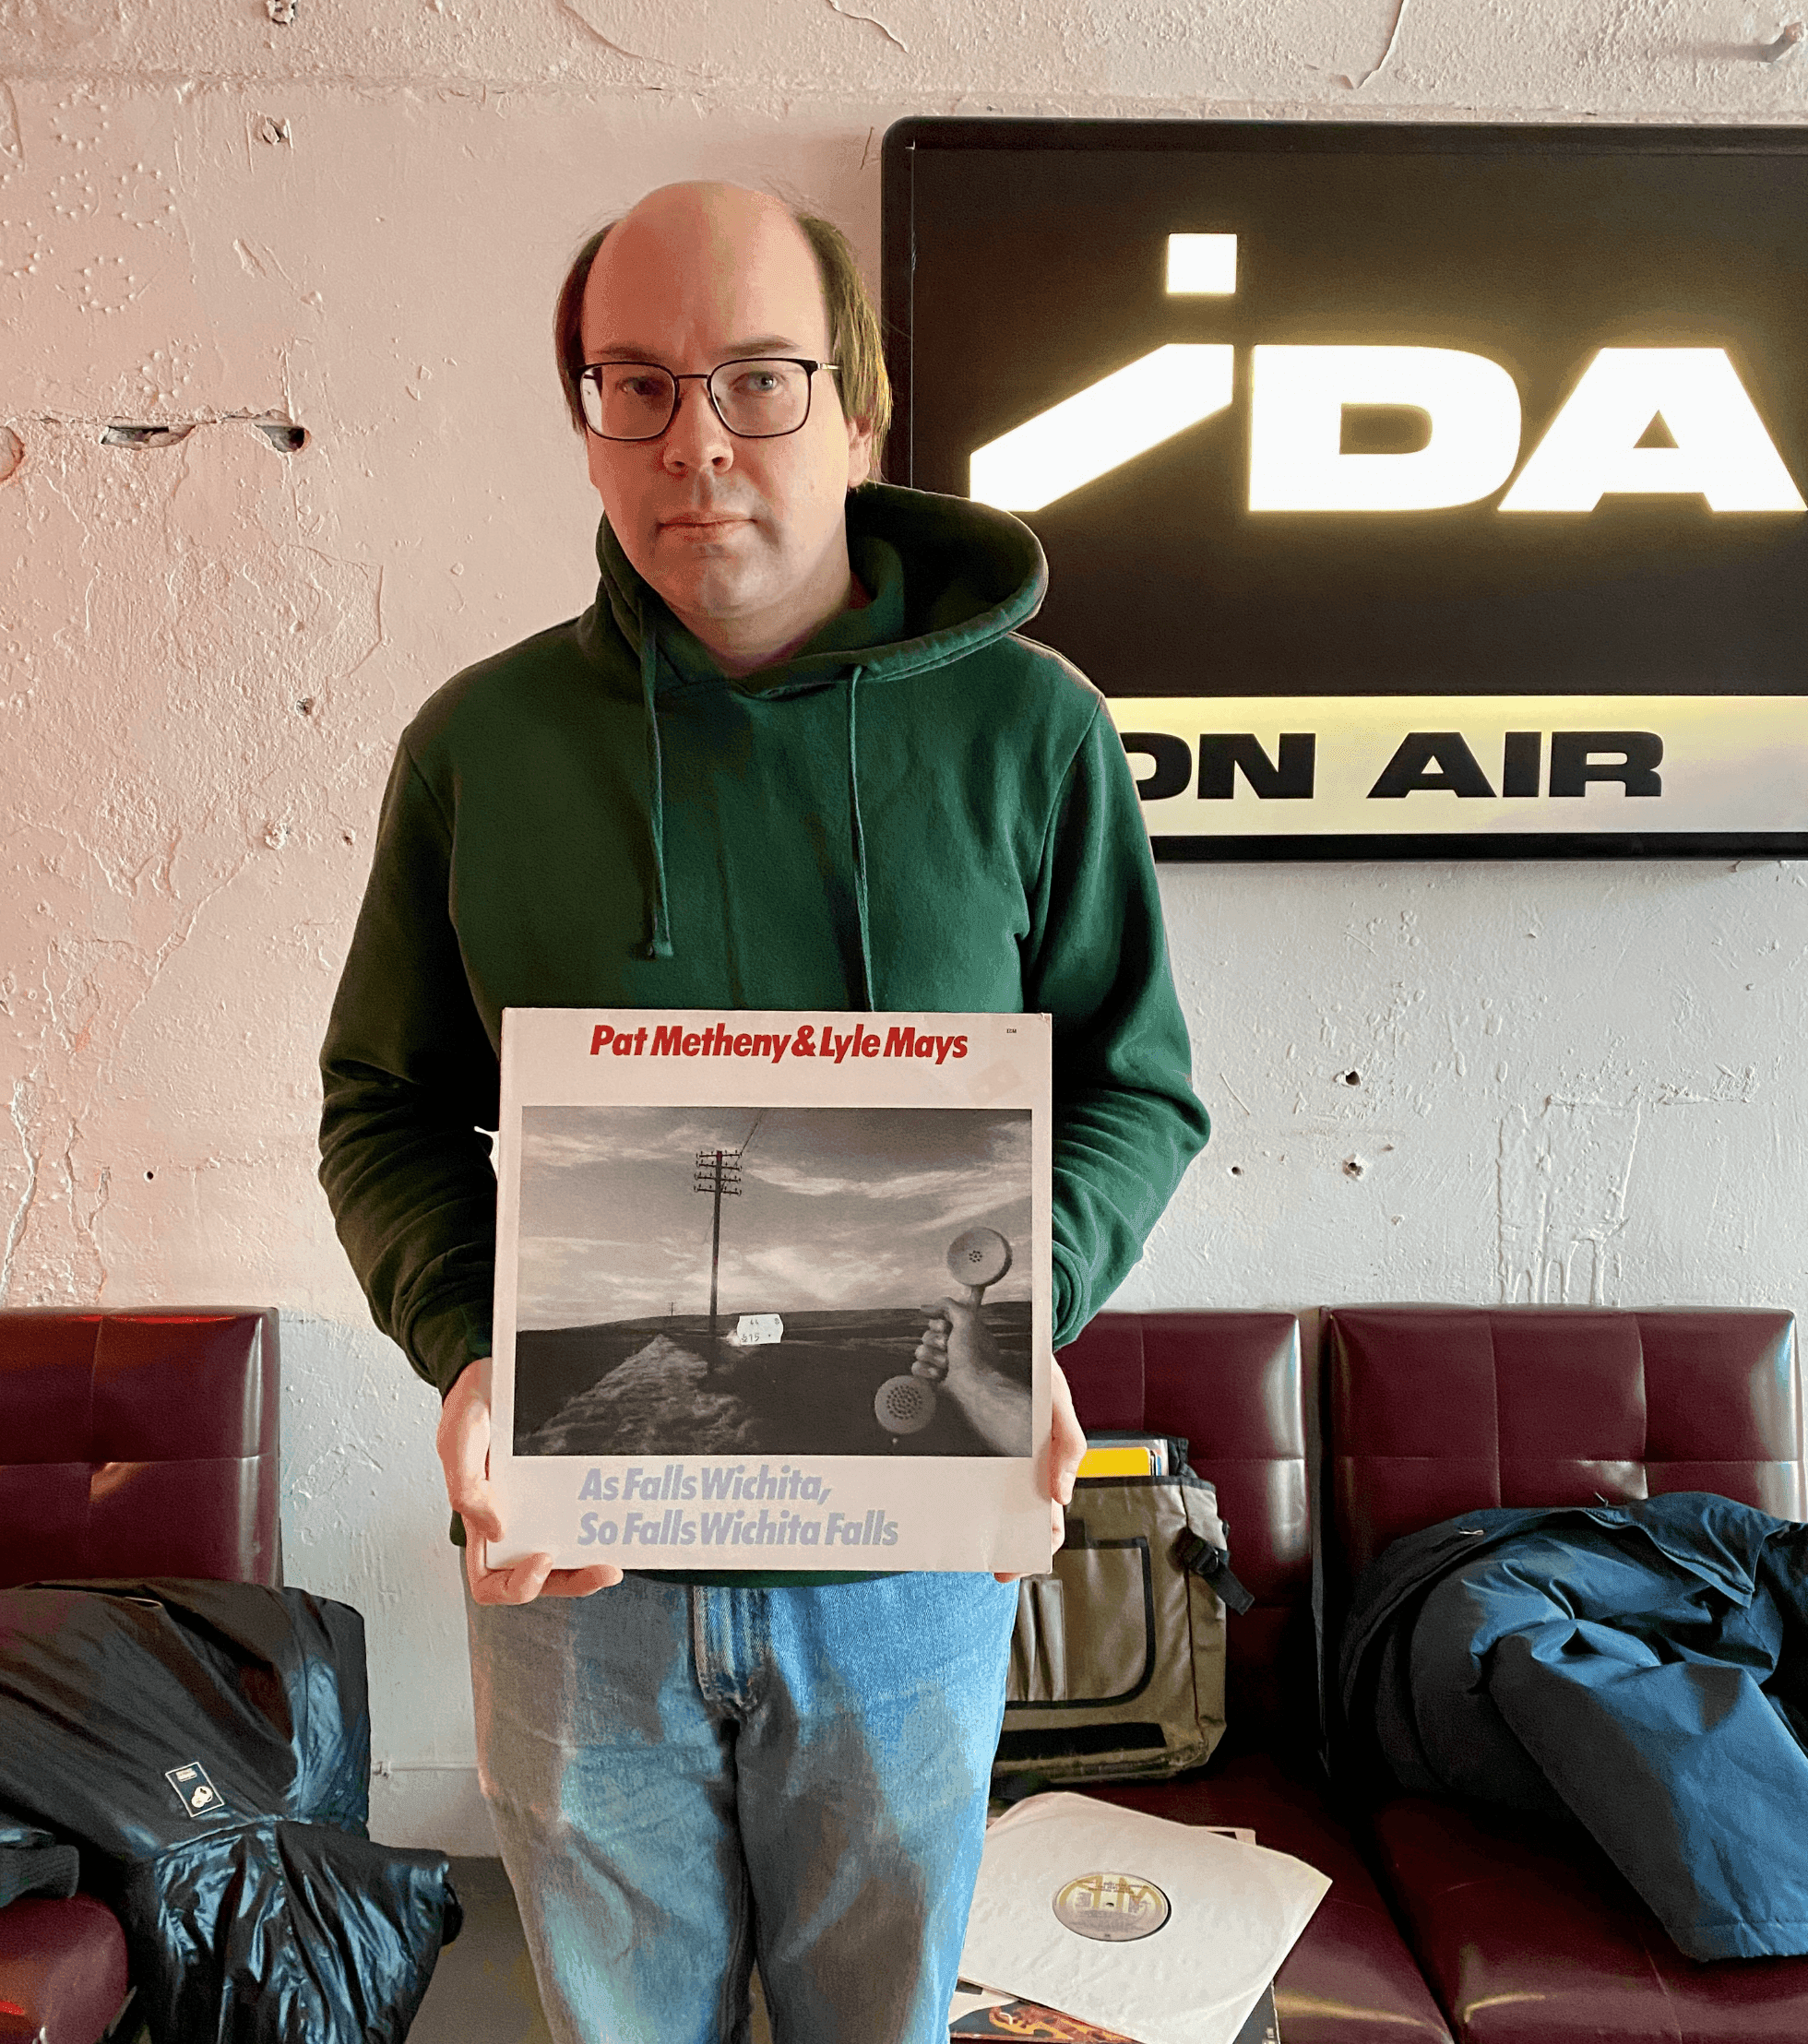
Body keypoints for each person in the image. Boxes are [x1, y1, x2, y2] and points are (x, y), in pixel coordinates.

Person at [318, 181, 1209, 2044]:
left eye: (756, 379)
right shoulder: (479, 749)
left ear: (860, 409)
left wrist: (1020, 1298)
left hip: (904, 1573)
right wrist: (472, 1352)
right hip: (580, 1577)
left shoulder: (1030, 734)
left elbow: (1133, 1085)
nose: (695, 442)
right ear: (585, 417)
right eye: (634, 384)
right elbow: (386, 1107)